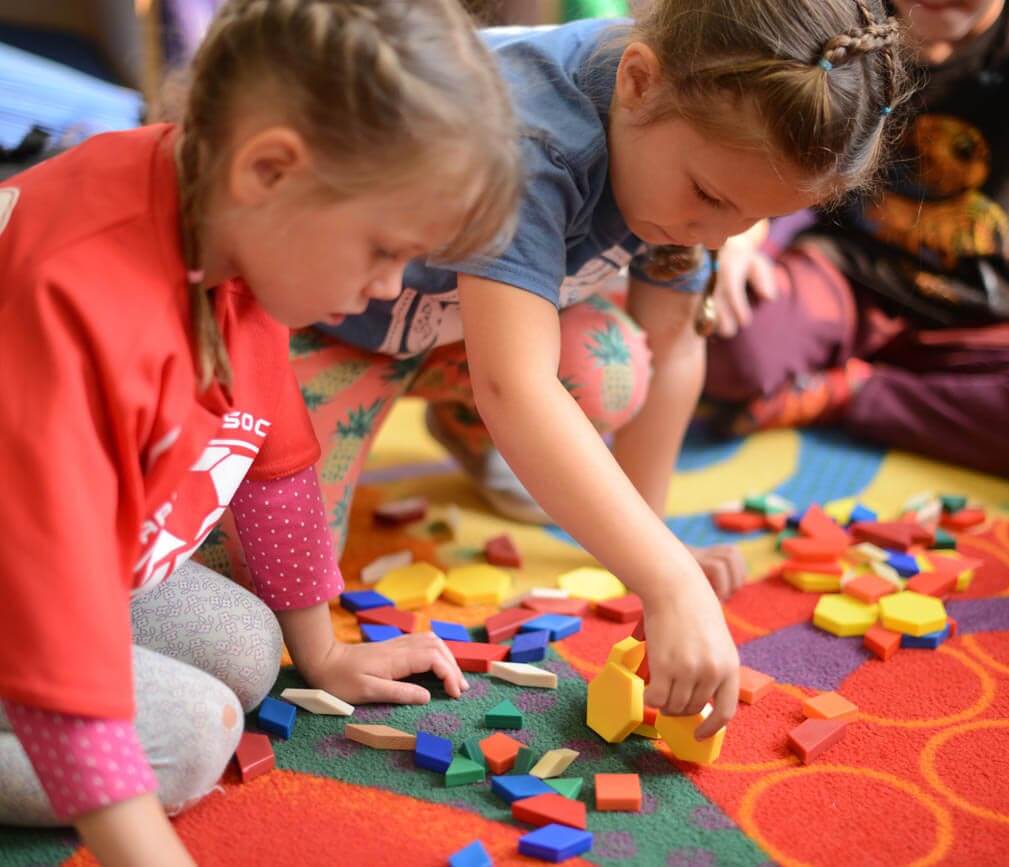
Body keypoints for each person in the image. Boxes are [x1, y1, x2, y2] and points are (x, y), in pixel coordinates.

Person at [299, 0, 912, 742]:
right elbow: (514, 386)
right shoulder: (530, 138)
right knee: (281, 576)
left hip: (457, 321)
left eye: (745, 220)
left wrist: (646, 543)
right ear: (637, 83)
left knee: (610, 367)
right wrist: (669, 579)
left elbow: (675, 344)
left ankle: (459, 422)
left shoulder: (689, 128)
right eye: (711, 197)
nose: (716, 233)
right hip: (324, 319)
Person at [0, 0, 519, 861]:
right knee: (192, 734)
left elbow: (267, 457)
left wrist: (324, 650)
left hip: (82, 547)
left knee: (252, 648)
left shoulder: (230, 217)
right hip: (30, 565)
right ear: (270, 169)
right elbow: (48, 595)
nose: (390, 288)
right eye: (382, 250)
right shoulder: (80, 300)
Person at [706, 0, 1009, 494]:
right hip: (849, 277)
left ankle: (847, 391)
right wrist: (740, 237)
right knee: (722, 344)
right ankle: (885, 390)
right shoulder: (849, 10)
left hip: (986, 316)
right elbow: (774, 134)